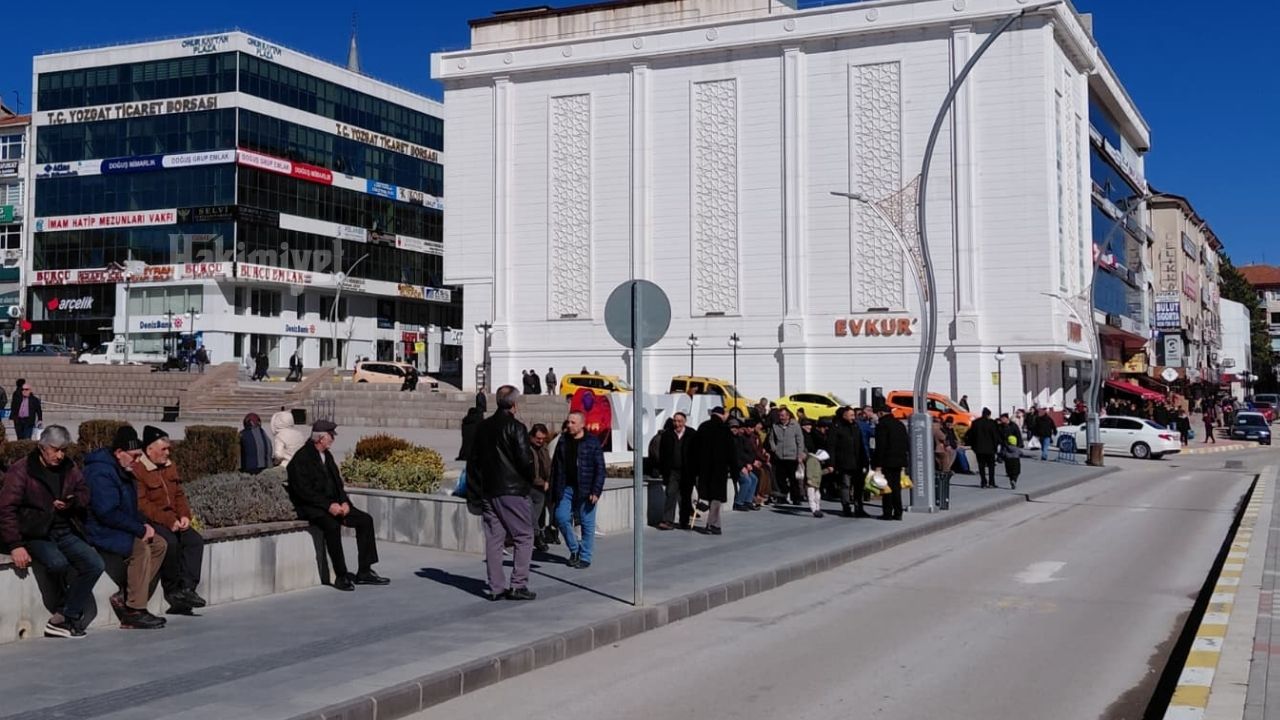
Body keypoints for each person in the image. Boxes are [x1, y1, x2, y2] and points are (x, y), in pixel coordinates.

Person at [1, 425, 104, 638]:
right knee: (57, 563)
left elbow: (84, 492)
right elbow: (6, 508)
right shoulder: (22, 470)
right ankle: (65, 613)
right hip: (34, 532)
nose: (60, 455)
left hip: (63, 529)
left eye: (63, 450)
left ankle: (65, 616)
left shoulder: (69, 467)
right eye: (55, 449)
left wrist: (71, 502)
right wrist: (15, 544)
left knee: (94, 564)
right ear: (42, 447)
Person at [287, 420, 389, 592]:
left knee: (365, 520)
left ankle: (365, 571)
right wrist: (328, 506)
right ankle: (341, 576)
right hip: (314, 507)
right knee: (332, 527)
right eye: (331, 435)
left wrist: (344, 502)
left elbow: (338, 484)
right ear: (320, 438)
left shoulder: (328, 456)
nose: (333, 438)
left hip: (336, 504)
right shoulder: (301, 458)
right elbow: (303, 491)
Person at [84, 426, 167, 630]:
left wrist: (142, 524)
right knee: (140, 548)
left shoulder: (123, 469)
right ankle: (134, 610)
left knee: (160, 544)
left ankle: (127, 596)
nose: (137, 460)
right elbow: (106, 512)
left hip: (117, 524)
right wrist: (138, 530)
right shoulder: (100, 472)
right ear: (119, 453)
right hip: (99, 529)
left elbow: (129, 506)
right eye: (134, 455)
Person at [467, 385, 536, 599]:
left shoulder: (483, 427)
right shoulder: (516, 427)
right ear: (514, 404)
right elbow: (525, 460)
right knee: (524, 535)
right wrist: (529, 479)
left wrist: (477, 489)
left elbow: (474, 460)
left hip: (489, 490)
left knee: (494, 539)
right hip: (512, 489)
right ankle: (518, 584)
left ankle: (496, 586)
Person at [132, 426, 207, 614]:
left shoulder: (169, 466)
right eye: (163, 449)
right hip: (153, 520)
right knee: (170, 543)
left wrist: (184, 516)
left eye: (168, 449)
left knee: (194, 541)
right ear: (149, 450)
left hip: (174, 519)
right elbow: (143, 504)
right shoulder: (139, 470)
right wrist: (168, 520)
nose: (168, 452)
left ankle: (188, 589)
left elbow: (179, 495)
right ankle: (173, 589)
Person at [551, 411, 606, 567]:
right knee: (560, 517)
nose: (569, 425)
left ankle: (585, 557)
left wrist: (596, 491)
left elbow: (600, 468)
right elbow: (556, 467)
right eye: (568, 422)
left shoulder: (592, 442)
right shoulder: (563, 441)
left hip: (586, 489)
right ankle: (574, 548)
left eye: (573, 422)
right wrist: (554, 488)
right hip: (566, 488)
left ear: (582, 424)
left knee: (587, 524)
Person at [694, 406, 737, 535]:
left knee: (712, 497)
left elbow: (695, 449)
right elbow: (732, 452)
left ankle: (717, 525)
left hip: (704, 469)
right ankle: (711, 524)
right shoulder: (725, 430)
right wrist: (734, 471)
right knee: (716, 497)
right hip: (719, 469)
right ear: (722, 415)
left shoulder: (703, 427)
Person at [657, 412, 697, 530]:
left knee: (685, 497)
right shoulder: (667, 434)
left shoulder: (692, 434)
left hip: (687, 471)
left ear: (685, 422)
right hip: (672, 471)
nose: (677, 424)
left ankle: (684, 521)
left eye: (679, 421)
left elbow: (697, 453)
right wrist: (662, 470)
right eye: (675, 421)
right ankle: (667, 521)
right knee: (670, 494)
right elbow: (662, 453)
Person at [829, 406, 870, 518]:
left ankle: (859, 508)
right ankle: (846, 507)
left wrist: (865, 461)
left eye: (854, 415)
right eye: (851, 415)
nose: (854, 417)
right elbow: (831, 447)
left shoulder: (856, 426)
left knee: (858, 486)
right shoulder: (836, 427)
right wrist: (832, 463)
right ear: (844, 415)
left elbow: (861, 445)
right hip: (844, 463)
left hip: (858, 463)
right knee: (845, 485)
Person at [872, 406, 909, 521]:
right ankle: (898, 512)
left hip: (887, 461)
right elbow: (905, 442)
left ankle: (887, 513)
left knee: (886, 487)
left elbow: (881, 446)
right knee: (896, 487)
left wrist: (878, 464)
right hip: (899, 460)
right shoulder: (900, 424)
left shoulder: (882, 425)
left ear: (881, 413)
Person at [767, 408, 805, 505]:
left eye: (783, 416)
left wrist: (799, 454)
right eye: (780, 416)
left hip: (792, 456)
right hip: (780, 456)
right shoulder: (775, 426)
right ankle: (783, 496)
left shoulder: (795, 425)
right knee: (780, 479)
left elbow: (800, 440)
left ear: (788, 416)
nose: (781, 418)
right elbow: (771, 438)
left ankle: (796, 498)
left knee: (793, 479)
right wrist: (774, 448)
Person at [528, 423, 552, 553]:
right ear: (532, 436)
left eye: (543, 439)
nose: (541, 441)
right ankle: (536, 535)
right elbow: (530, 472)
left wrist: (548, 480)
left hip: (543, 484)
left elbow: (548, 465)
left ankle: (540, 534)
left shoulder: (544, 448)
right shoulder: (526, 448)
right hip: (531, 485)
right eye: (538, 439)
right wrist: (542, 483)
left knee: (541, 510)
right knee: (535, 510)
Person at [731, 419, 761, 512]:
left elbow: (748, 453)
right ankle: (739, 502)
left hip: (743, 464)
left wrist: (750, 463)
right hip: (735, 466)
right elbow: (736, 455)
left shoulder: (744, 438)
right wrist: (743, 466)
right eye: (733, 427)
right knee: (746, 480)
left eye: (737, 427)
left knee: (754, 479)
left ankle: (748, 500)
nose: (735, 429)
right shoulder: (734, 439)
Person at [968, 408, 1001, 488]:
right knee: (991, 466)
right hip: (990, 449)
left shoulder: (975, 423)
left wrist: (973, 446)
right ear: (989, 415)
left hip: (979, 449)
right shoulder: (992, 423)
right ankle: (991, 482)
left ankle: (983, 482)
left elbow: (970, 435)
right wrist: (996, 446)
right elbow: (995, 436)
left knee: (981, 466)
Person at [998, 413, 1024, 489]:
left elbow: (1018, 435)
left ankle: (1012, 479)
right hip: (1005, 446)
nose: (1001, 420)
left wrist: (1019, 444)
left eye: (1002, 419)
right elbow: (998, 435)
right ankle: (1013, 479)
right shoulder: (1000, 426)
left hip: (1013, 445)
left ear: (1007, 418)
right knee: (1012, 468)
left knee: (1012, 467)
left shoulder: (1013, 425)